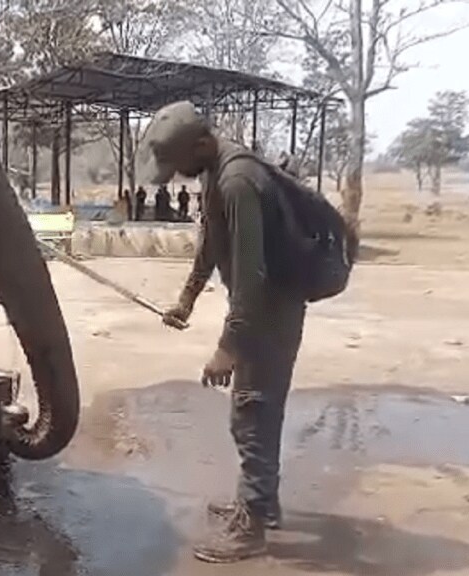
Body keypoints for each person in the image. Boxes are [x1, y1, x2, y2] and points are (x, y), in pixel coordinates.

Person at [140, 101, 307, 563]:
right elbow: (212, 244)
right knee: (259, 410)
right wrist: (186, 299)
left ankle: (250, 526)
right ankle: (263, 502)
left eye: (178, 165)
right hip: (260, 309)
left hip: (269, 314)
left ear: (201, 144)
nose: (176, 176)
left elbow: (251, 274)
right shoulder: (217, 171)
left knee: (252, 413)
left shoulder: (237, 181)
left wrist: (228, 346)